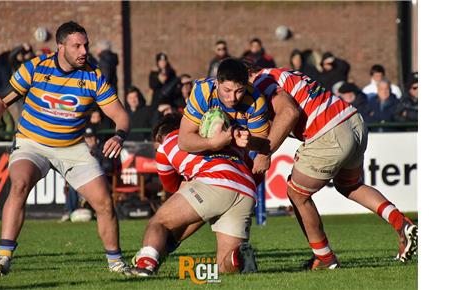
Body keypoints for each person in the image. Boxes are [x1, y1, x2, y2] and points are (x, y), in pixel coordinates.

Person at [0, 21, 131, 276]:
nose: (84, 50)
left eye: (86, 44)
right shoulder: (35, 68)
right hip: (32, 143)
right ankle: (3, 257)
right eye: (77, 46)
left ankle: (117, 264)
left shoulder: (94, 76)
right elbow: (0, 100)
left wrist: (118, 136)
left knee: (104, 202)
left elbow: (121, 115)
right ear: (61, 47)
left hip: (72, 147)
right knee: (18, 184)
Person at [249, 65, 418, 269]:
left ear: (248, 74)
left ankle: (324, 258)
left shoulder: (261, 81)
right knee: (350, 185)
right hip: (352, 120)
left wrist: (265, 152)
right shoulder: (282, 72)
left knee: (297, 194)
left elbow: (288, 113)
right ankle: (402, 223)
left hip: (328, 131)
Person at [128, 113, 258, 276]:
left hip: (213, 181)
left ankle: (145, 264)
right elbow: (251, 167)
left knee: (159, 221)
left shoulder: (167, 143)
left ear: (160, 137)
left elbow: (172, 187)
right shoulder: (220, 137)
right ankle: (237, 257)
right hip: (246, 189)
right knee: (224, 265)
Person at [178, 58, 270, 173]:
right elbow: (183, 141)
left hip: (237, 156)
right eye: (227, 90)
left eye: (239, 91)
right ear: (217, 83)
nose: (232, 98)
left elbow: (263, 142)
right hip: (202, 151)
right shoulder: (203, 92)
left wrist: (248, 141)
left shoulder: (256, 101)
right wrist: (212, 143)